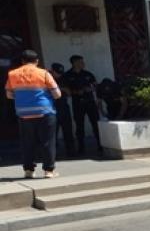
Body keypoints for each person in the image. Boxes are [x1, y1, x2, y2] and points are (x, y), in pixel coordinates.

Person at [4, 50, 62, 178]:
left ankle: (29, 170)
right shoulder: (44, 73)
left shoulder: (12, 74)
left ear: (22, 61)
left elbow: (9, 95)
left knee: (27, 142)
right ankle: (49, 170)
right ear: (37, 61)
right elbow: (57, 94)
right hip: (44, 112)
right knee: (47, 141)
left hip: (23, 114)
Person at [64, 55, 101, 154]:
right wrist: (76, 92)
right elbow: (65, 90)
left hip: (90, 102)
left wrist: (91, 89)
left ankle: (100, 145)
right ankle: (81, 147)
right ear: (75, 63)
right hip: (78, 103)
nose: (83, 64)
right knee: (79, 126)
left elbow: (95, 85)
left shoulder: (87, 74)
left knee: (95, 124)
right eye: (80, 62)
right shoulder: (68, 75)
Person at [48, 63, 76, 157]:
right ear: (52, 71)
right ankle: (52, 153)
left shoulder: (64, 78)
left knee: (68, 130)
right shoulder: (46, 78)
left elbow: (69, 92)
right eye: (57, 73)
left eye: (60, 73)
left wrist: (63, 89)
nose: (59, 75)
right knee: (52, 132)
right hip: (51, 108)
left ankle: (71, 151)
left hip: (63, 106)